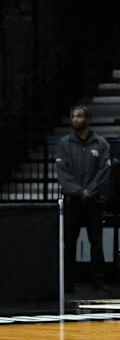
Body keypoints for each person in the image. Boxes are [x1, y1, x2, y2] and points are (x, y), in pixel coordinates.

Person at [56, 105, 112, 293]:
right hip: (73, 201)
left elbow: (104, 171)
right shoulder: (64, 144)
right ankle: (67, 282)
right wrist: (79, 191)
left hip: (94, 202)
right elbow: (62, 172)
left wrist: (90, 191)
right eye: (73, 117)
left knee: (96, 242)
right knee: (69, 243)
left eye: (79, 116)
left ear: (87, 119)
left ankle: (98, 281)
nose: (75, 120)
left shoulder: (100, 143)